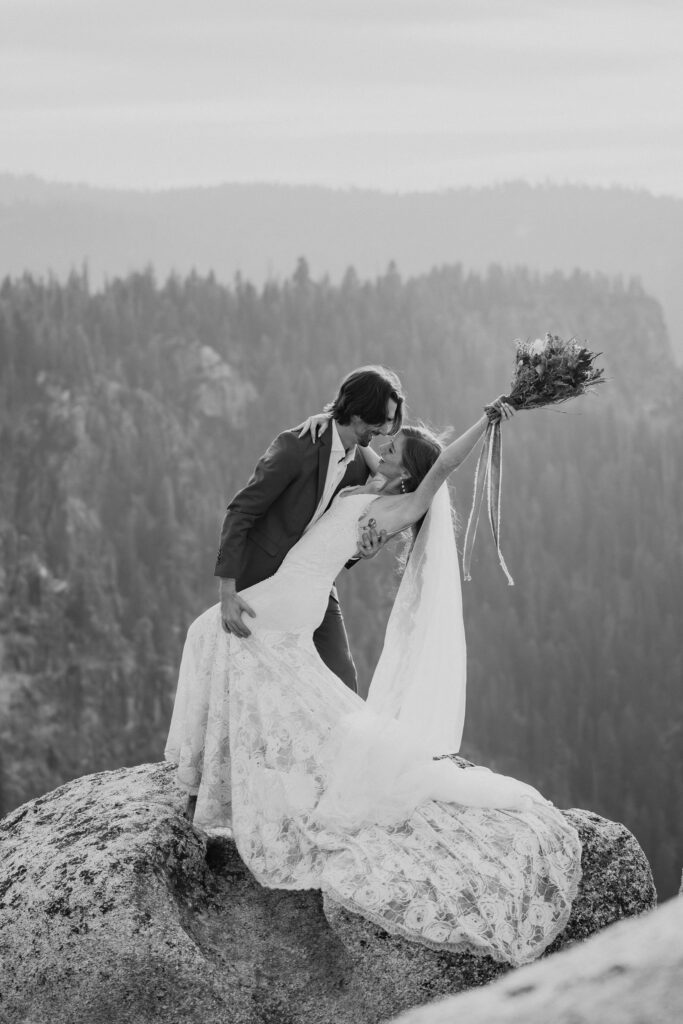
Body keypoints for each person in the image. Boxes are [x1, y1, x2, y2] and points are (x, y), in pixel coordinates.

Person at [165, 396, 581, 968]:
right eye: (381, 440)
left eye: (390, 447)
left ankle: (205, 779)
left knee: (214, 637)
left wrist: (489, 418)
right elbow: (345, 439)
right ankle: (213, 776)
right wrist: (320, 418)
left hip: (294, 600)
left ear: (405, 469)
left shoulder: (407, 502)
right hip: (291, 591)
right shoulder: (372, 478)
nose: (378, 446)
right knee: (239, 658)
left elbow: (442, 467)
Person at [214, 364, 405, 693]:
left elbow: (341, 533)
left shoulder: (362, 464)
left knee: (343, 683)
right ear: (359, 411)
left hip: (316, 584)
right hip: (262, 580)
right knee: (259, 688)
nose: (386, 429)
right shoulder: (296, 446)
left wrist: (362, 552)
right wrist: (227, 593)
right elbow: (240, 511)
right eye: (381, 419)